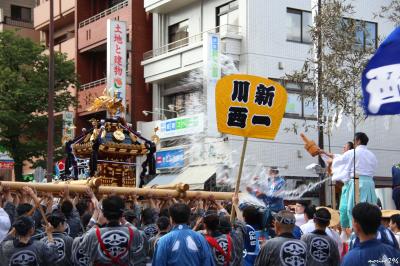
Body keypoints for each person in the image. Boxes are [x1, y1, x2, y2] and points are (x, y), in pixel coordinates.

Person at [73, 195, 147, 265]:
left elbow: (80, 244)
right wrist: (124, 221)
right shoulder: (133, 233)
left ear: (103, 214)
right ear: (122, 214)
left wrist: (98, 223)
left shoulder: (93, 234)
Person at [330, 133, 378, 228]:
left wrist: (330, 159)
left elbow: (339, 160)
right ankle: (370, 229)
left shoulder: (353, 152)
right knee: (370, 208)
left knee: (352, 208)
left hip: (356, 181)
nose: (354, 143)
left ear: (358, 141)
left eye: (354, 140)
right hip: (369, 183)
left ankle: (354, 231)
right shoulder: (372, 155)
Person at [320, 141, 354, 229]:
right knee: (343, 208)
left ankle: (351, 227)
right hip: (345, 185)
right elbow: (333, 156)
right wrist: (322, 152)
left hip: (353, 183)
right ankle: (344, 227)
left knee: (349, 208)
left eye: (345, 147)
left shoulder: (351, 156)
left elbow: (333, 158)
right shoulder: (342, 157)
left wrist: (331, 160)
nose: (343, 148)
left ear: (350, 149)